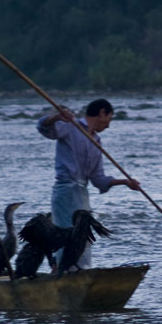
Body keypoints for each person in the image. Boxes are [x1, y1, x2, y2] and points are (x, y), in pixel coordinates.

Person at [37, 98, 140, 270]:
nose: (108, 125)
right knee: (66, 234)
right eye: (109, 118)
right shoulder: (71, 125)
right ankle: (64, 271)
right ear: (102, 113)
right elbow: (43, 128)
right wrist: (56, 117)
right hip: (65, 189)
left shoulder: (96, 142)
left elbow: (98, 179)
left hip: (81, 192)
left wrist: (125, 182)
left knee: (82, 236)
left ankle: (80, 271)